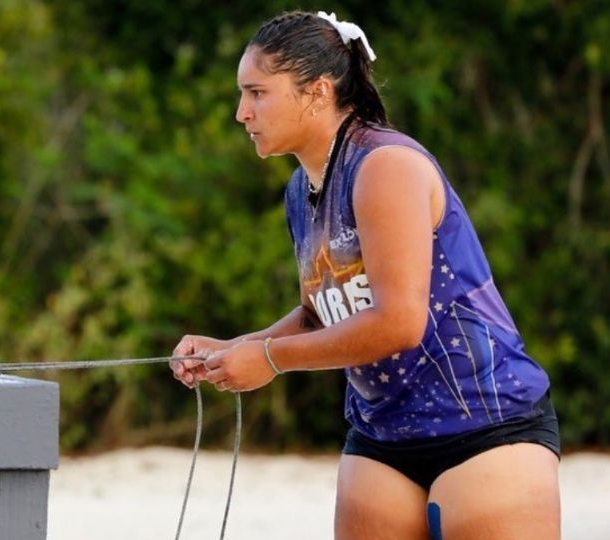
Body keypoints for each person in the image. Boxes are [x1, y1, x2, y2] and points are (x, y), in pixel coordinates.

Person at [169, 10, 561, 540]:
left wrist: (266, 359)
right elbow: (324, 310)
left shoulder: (384, 165)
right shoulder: (299, 189)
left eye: (257, 92)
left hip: (486, 429)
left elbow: (400, 322)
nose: (241, 112)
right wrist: (234, 347)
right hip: (382, 437)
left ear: (318, 91)